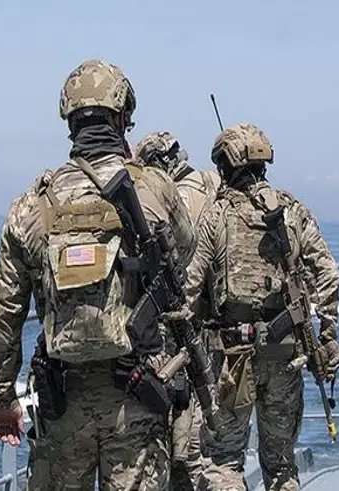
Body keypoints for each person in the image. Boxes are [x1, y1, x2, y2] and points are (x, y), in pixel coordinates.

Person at [0, 58, 196, 490]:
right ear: (122, 117)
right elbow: (185, 251)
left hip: (63, 399)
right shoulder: (155, 188)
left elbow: (5, 310)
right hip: (136, 394)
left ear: (70, 120)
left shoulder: (31, 205)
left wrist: (3, 397)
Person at [176, 123, 339, 491]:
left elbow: (189, 288)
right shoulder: (292, 212)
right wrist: (328, 336)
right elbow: (328, 275)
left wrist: (183, 348)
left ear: (225, 165)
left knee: (222, 463)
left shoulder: (217, 216)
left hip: (232, 361)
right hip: (285, 357)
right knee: (282, 465)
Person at [134, 131, 223, 490]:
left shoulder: (157, 194)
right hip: (208, 321)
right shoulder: (212, 185)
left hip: (169, 319)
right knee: (200, 416)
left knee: (169, 416)